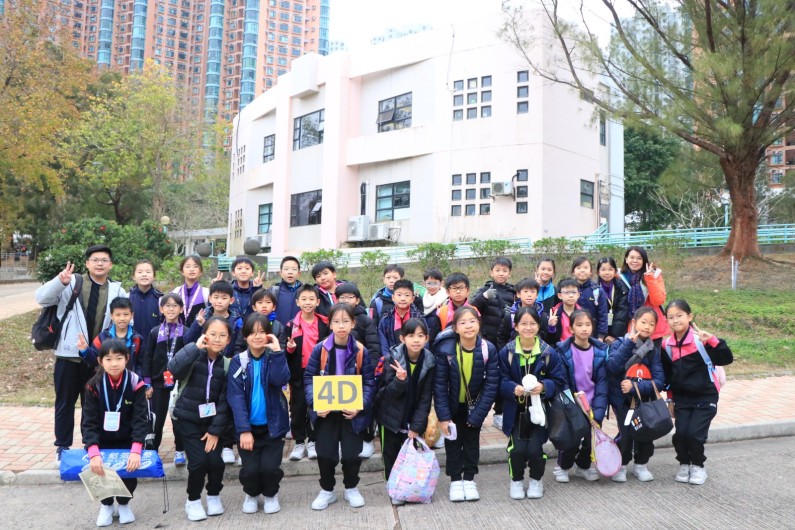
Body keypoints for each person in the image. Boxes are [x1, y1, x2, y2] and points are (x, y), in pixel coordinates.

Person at [35, 245, 127, 463]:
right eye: (95, 260)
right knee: (65, 403)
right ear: (87, 263)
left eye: (104, 260)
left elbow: (123, 317)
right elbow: (41, 298)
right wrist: (60, 282)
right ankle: (62, 446)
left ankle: (91, 444)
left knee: (92, 405)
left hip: (96, 359)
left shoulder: (117, 290)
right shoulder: (71, 283)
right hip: (69, 356)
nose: (99, 264)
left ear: (110, 265)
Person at [304, 304, 376, 510]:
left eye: (345, 321)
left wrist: (360, 406)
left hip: (351, 413)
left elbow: (369, 383)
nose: (341, 326)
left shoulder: (361, 351)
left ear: (353, 323)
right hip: (326, 413)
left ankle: (351, 488)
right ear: (330, 324)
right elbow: (309, 378)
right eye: (336, 321)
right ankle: (327, 490)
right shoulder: (320, 349)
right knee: (325, 454)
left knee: (352, 454)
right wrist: (315, 403)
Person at [497, 308, 567, 500]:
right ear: (516, 326)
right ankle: (516, 480)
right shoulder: (507, 352)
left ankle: (536, 479)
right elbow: (499, 381)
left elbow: (560, 381)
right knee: (517, 450)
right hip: (516, 412)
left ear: (539, 326)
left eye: (532, 324)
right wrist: (513, 388)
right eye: (524, 324)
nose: (528, 328)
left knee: (535, 450)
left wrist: (544, 386)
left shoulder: (548, 353)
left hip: (540, 411)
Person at [662, 299, 733, 485]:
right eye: (671, 317)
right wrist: (670, 400)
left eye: (679, 316)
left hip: (705, 396)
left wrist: (713, 341)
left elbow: (726, 358)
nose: (675, 320)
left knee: (694, 434)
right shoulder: (667, 345)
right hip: (682, 399)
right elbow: (668, 377)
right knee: (680, 435)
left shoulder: (700, 340)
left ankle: (698, 466)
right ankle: (684, 463)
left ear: (689, 316)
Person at [168, 317, 232, 522]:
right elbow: (174, 368)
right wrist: (194, 348)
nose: (217, 339)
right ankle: (193, 500)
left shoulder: (227, 364)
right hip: (188, 419)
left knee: (216, 462)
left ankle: (213, 495)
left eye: (222, 335)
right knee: (198, 463)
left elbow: (225, 401)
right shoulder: (193, 354)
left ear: (229, 340)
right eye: (213, 334)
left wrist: (215, 431)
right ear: (204, 335)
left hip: (212, 423)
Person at [226, 313, 290, 515]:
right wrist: (244, 430)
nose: (257, 336)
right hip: (248, 429)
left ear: (269, 335)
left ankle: (271, 494)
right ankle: (251, 494)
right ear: (245, 336)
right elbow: (235, 397)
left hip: (273, 426)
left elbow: (281, 380)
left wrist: (278, 351)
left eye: (262, 332)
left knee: (270, 468)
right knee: (251, 470)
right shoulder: (239, 361)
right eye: (252, 332)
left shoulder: (274, 357)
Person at [434, 306, 499, 502]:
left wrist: (479, 414)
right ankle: (455, 480)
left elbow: (491, 385)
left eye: (472, 321)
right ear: (455, 328)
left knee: (471, 443)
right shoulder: (446, 351)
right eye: (463, 322)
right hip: (452, 406)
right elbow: (439, 386)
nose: (468, 326)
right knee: (452, 443)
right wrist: (444, 417)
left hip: (475, 406)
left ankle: (469, 479)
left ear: (479, 324)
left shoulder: (488, 349)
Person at [81, 338, 148, 527]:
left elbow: (140, 419)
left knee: (129, 473)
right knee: (101, 472)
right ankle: (107, 505)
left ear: (127, 358)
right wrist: (93, 452)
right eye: (108, 359)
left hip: (127, 439)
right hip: (102, 440)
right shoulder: (93, 385)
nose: (114, 364)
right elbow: (89, 422)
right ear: (100, 361)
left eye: (119, 358)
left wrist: (136, 449)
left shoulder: (136, 383)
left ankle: (125, 503)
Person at [376, 318, 435, 505]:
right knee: (391, 454)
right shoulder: (391, 359)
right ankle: (394, 489)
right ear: (402, 338)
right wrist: (399, 381)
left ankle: (410, 488)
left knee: (411, 456)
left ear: (427, 338)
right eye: (411, 335)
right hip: (390, 417)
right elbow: (384, 394)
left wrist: (417, 425)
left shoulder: (430, 362)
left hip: (413, 415)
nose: (416, 340)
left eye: (420, 335)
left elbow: (426, 397)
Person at [606, 307, 665, 482]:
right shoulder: (619, 343)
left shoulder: (653, 350)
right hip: (621, 400)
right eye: (643, 322)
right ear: (634, 323)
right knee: (626, 434)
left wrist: (636, 386)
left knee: (646, 432)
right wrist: (628, 345)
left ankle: (641, 465)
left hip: (644, 401)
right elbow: (612, 367)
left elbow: (659, 381)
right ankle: (621, 465)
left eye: (652, 324)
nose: (647, 327)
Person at [553, 310, 608, 483]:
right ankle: (563, 466)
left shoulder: (600, 352)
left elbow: (602, 385)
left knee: (591, 439)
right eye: (579, 325)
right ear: (571, 329)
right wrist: (571, 406)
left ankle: (583, 466)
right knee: (572, 438)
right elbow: (562, 382)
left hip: (593, 403)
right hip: (572, 403)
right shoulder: (563, 351)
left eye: (587, 325)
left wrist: (598, 412)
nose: (584, 328)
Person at [469, 257, 516, 431]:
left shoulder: (513, 292)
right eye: (498, 270)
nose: (501, 273)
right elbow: (471, 307)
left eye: (505, 270)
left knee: (502, 378)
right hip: (485, 343)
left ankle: (499, 414)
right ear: (491, 272)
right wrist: (483, 297)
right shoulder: (484, 290)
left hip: (504, 343)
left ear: (509, 273)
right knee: (480, 378)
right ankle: (476, 414)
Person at [285, 284, 330, 461]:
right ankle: (298, 442)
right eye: (304, 299)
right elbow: (286, 353)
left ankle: (313, 441)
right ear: (297, 302)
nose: (308, 302)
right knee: (298, 407)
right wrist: (290, 349)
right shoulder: (291, 325)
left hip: (319, 373)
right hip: (298, 373)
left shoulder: (324, 323)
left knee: (317, 406)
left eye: (311, 299)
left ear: (318, 302)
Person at [141, 293, 187, 463]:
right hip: (158, 383)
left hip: (179, 383)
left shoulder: (186, 332)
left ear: (181, 309)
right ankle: (152, 450)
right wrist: (147, 383)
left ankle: (180, 450)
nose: (171, 309)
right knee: (156, 419)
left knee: (178, 418)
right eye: (167, 305)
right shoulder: (155, 332)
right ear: (161, 309)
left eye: (175, 305)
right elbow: (147, 358)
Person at [77, 297, 143, 374]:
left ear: (132, 315)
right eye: (118, 315)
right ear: (112, 316)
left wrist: (139, 379)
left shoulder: (137, 339)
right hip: (106, 378)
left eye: (126, 314)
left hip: (129, 379)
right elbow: (94, 361)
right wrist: (85, 350)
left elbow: (140, 364)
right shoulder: (102, 337)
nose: (122, 318)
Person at [620, 246, 670, 346]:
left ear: (644, 261)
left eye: (639, 258)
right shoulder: (620, 277)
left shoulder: (654, 275)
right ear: (626, 259)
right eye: (632, 257)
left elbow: (658, 300)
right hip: (632, 324)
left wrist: (649, 278)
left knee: (653, 354)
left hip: (652, 325)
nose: (635, 261)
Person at [497, 278, 553, 347]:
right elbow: (502, 337)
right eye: (525, 291)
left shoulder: (542, 316)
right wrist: (506, 351)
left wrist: (551, 327)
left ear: (537, 295)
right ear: (518, 294)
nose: (529, 295)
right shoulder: (510, 316)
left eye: (532, 292)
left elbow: (547, 339)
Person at [425, 272, 477, 344]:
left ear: (468, 291)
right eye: (454, 288)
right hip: (446, 347)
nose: (458, 291)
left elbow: (479, 334)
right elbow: (434, 338)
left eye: (461, 288)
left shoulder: (474, 311)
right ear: (448, 292)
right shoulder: (441, 312)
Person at [377, 279, 423, 357]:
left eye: (407, 295)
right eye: (399, 295)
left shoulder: (420, 318)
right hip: (392, 360)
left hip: (416, 359)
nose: (403, 298)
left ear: (412, 299)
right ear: (393, 297)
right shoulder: (385, 320)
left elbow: (424, 343)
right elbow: (384, 345)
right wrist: (390, 359)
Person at [233, 289, 288, 354]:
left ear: (274, 307)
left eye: (268, 302)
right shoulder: (247, 324)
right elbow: (238, 347)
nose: (264, 306)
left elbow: (281, 348)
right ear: (254, 307)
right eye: (260, 302)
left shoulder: (278, 327)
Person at [128, 259, 163, 354]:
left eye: (148, 272)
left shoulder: (160, 299)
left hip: (153, 348)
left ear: (154, 276)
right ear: (133, 276)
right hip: (131, 348)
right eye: (140, 272)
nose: (144, 275)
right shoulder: (127, 297)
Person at [571, 257, 608, 339]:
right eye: (578, 268)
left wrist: (601, 336)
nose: (582, 270)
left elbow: (603, 315)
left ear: (591, 272)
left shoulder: (597, 291)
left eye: (585, 268)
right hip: (571, 333)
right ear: (573, 272)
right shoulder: (568, 290)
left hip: (592, 334)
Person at [596, 257, 630, 344]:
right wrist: (600, 335)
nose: (607, 272)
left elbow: (622, 314)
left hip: (616, 335)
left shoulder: (622, 288)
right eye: (603, 269)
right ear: (598, 272)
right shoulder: (593, 289)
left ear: (615, 271)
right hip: (597, 334)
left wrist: (614, 335)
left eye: (610, 269)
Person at [172, 256, 210, 327]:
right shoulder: (175, 292)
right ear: (182, 271)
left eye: (195, 266)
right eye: (187, 266)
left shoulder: (206, 293)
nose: (192, 269)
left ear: (201, 272)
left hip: (199, 333)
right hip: (177, 332)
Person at [270, 256, 302, 327]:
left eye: (294, 269)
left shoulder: (306, 291)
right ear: (281, 273)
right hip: (279, 331)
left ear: (299, 273)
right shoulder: (273, 291)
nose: (290, 272)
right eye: (286, 269)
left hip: (300, 331)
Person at [546, 277, 580, 344]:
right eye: (566, 292)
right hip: (559, 347)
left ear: (578, 295)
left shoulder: (583, 314)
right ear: (560, 295)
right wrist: (551, 327)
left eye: (574, 292)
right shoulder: (554, 313)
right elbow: (550, 340)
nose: (571, 295)